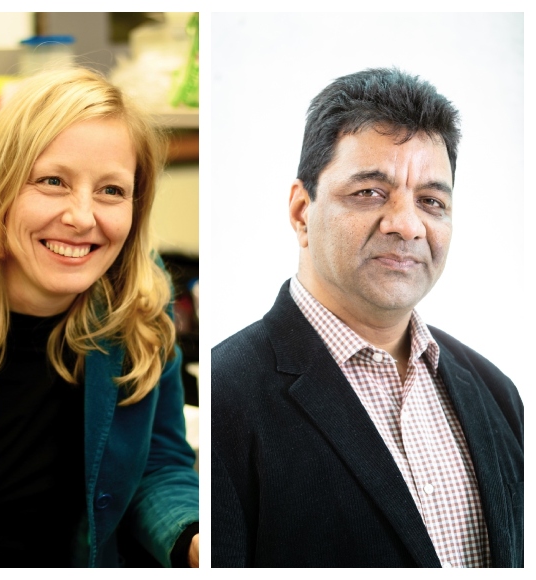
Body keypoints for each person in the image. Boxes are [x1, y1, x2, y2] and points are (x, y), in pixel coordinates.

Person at [211, 68, 523, 567]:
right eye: (369, 193)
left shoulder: (497, 394)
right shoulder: (223, 396)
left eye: (431, 201)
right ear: (300, 211)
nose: (406, 224)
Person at [0, 67, 199, 568]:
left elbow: (159, 466)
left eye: (111, 191)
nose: (83, 217)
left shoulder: (140, 303)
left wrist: (192, 536)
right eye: (53, 182)